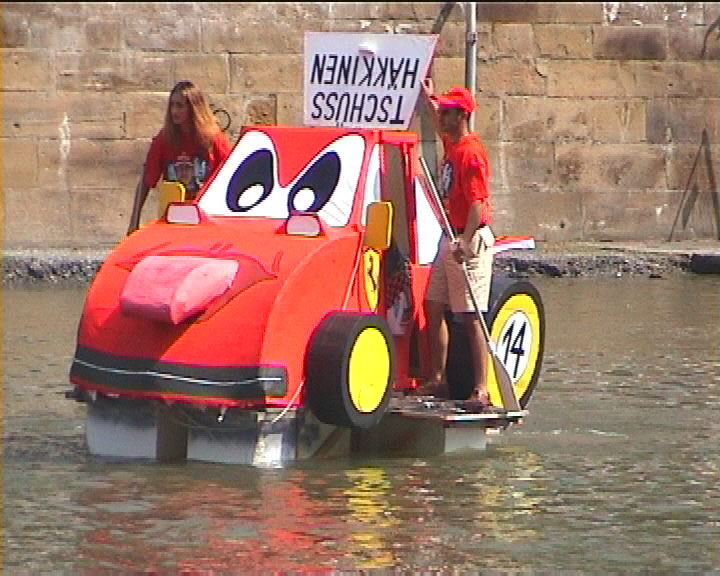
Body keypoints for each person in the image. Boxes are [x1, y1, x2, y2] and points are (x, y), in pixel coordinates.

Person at [419, 79, 494, 405]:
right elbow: (438, 123)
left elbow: (478, 203)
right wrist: (429, 99)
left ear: (461, 116)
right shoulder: (452, 142)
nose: (443, 116)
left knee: (470, 315)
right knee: (433, 304)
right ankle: (438, 380)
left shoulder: (471, 153)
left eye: (449, 112)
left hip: (470, 237)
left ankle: (481, 388)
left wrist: (465, 240)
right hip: (449, 236)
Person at [127, 81, 232, 235]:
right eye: (172, 105)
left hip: (206, 220)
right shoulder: (164, 140)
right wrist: (134, 222)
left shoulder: (214, 140)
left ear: (194, 108)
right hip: (173, 220)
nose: (174, 111)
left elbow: (231, 178)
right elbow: (146, 180)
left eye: (180, 106)